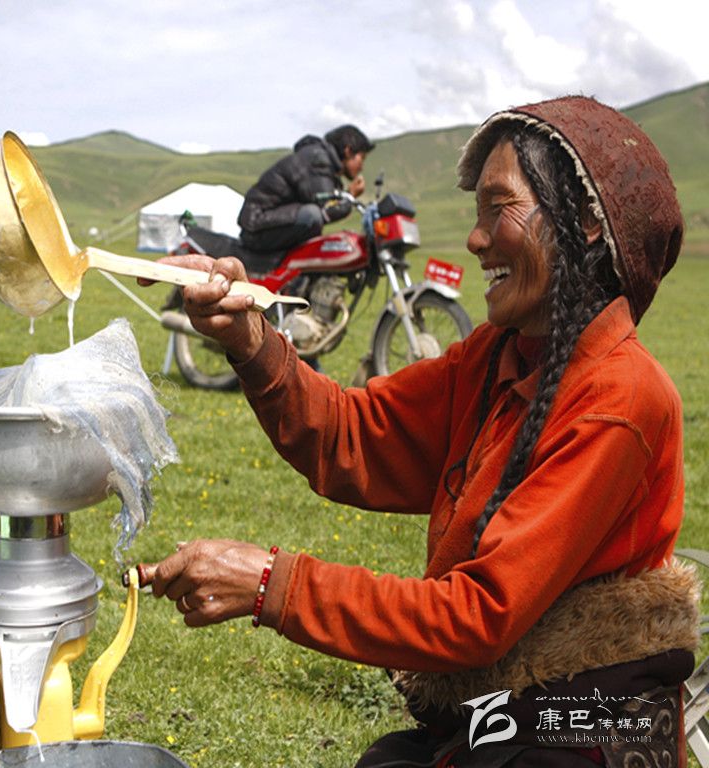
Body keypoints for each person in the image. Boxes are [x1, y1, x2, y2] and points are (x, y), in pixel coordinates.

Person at [143, 96, 698, 767]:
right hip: (510, 711)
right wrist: (249, 337)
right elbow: (352, 436)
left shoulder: (620, 398)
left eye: (499, 207)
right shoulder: (499, 356)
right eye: (476, 213)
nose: (475, 239)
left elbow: (478, 615)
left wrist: (270, 583)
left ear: (583, 222)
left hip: (586, 727)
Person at [238, 124, 374, 253]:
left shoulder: (319, 158)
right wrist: (350, 195)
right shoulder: (318, 160)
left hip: (262, 224)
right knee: (312, 215)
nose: (361, 166)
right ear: (348, 151)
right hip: (256, 226)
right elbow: (326, 209)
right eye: (361, 158)